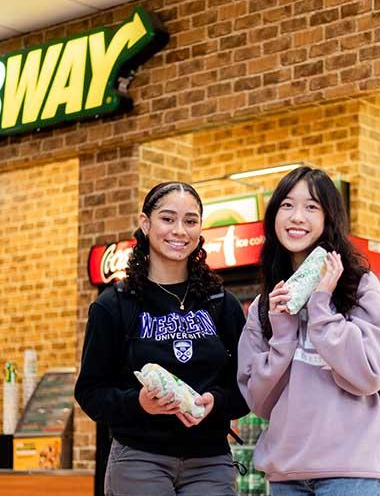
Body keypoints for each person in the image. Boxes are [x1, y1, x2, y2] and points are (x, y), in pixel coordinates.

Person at [237, 166, 380, 496]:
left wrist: (321, 307)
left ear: (330, 218)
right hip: (287, 471)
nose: (297, 216)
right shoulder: (263, 305)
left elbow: (369, 374)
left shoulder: (360, 288)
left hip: (353, 467)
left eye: (311, 206)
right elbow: (259, 401)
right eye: (287, 205)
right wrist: (283, 327)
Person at [75, 181, 249, 496]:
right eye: (168, 219)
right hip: (139, 460)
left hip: (210, 463)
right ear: (145, 223)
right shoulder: (114, 305)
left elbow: (247, 386)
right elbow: (90, 392)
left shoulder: (222, 303)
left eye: (190, 221)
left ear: (200, 228)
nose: (179, 230)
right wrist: (139, 403)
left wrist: (216, 402)